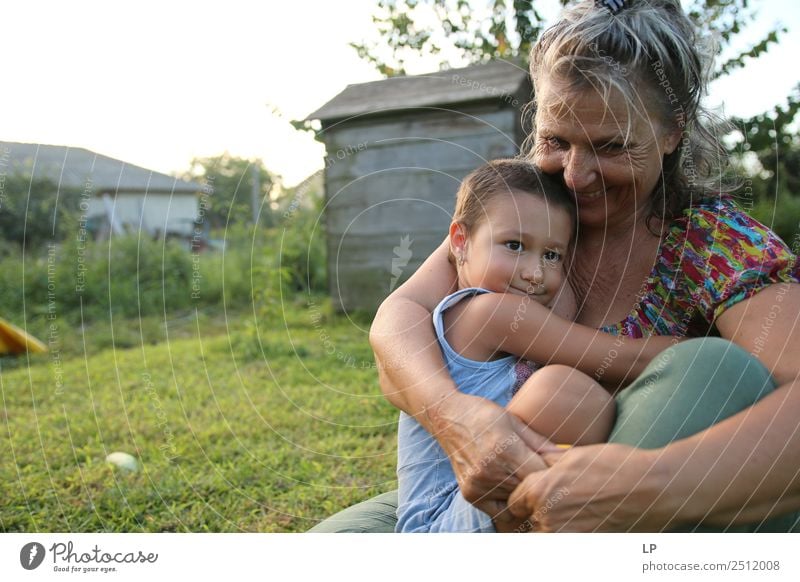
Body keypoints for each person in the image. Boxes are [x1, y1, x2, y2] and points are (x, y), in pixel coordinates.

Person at [310, 0, 800, 533]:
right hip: (481, 491)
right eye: (554, 140)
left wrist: (645, 486)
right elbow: (399, 317)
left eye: (611, 147)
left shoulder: (717, 244)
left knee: (712, 370)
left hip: (647, 488)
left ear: (671, 133)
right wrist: (458, 418)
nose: (575, 175)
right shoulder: (521, 209)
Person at [398, 159, 638, 532]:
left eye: (551, 255)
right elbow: (618, 357)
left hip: (477, 506)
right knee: (563, 393)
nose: (534, 272)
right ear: (460, 241)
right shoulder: (487, 313)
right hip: (441, 524)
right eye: (514, 245)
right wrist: (703, 351)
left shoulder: (511, 304)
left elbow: (564, 303)